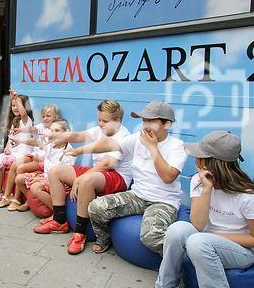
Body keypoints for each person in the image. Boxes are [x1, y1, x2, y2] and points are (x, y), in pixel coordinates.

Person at [72, 101, 187, 255]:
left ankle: (180, 261)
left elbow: (168, 177)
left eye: (151, 121)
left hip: (163, 201)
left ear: (166, 125)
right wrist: (80, 150)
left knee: (151, 237)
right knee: (95, 207)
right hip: (137, 195)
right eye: (144, 120)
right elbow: (112, 145)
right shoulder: (137, 139)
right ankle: (104, 238)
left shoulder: (177, 146)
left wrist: (153, 148)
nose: (146, 125)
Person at [149, 131, 254, 288]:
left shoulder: (247, 195)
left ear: (214, 163)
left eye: (200, 156)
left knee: (198, 242)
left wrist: (213, 237)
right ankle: (165, 287)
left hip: (240, 250)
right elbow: (198, 224)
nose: (196, 159)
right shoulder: (199, 181)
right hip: (205, 238)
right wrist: (207, 189)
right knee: (177, 229)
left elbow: (253, 239)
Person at [33, 100, 132, 255]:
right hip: (98, 172)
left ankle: (79, 234)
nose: (100, 124)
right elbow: (80, 135)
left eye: (105, 121)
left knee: (86, 180)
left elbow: (107, 164)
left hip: (117, 176)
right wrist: (57, 135)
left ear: (118, 121)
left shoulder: (123, 136)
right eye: (99, 119)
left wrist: (79, 180)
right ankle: (59, 221)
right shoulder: (100, 129)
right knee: (55, 171)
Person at [0, 104, 62, 210]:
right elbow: (32, 129)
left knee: (20, 168)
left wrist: (41, 158)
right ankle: (7, 196)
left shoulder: (56, 130)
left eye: (48, 116)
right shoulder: (41, 127)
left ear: (56, 116)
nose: (45, 118)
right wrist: (22, 130)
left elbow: (51, 151)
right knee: (14, 165)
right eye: (43, 116)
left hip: (42, 161)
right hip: (34, 156)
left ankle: (17, 199)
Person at [0, 91, 33, 203]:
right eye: (13, 105)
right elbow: (10, 138)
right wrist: (7, 147)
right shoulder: (14, 122)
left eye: (18, 105)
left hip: (20, 155)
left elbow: (23, 114)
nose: (15, 108)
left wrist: (16, 98)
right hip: (12, 154)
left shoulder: (26, 121)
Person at [13, 119, 76, 213]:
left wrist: (39, 180)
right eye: (52, 131)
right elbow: (36, 142)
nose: (53, 134)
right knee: (19, 179)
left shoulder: (69, 151)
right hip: (45, 176)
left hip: (59, 183)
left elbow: (63, 177)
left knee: (36, 187)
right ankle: (30, 201)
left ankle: (58, 214)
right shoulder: (51, 144)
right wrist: (20, 140)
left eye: (57, 131)